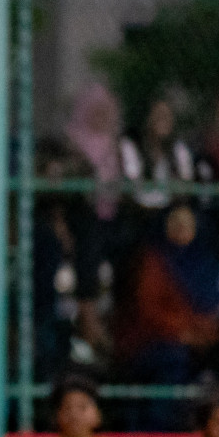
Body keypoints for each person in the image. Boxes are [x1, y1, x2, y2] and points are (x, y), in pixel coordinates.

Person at [119, 203, 219, 429]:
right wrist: (182, 333)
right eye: (175, 223)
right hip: (156, 341)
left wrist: (203, 335)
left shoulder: (205, 262)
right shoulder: (154, 260)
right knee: (172, 362)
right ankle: (161, 429)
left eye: (187, 224)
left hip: (201, 338)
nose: (181, 229)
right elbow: (149, 309)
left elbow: (213, 309)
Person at [63, 83, 125, 351]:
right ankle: (88, 317)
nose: (101, 117)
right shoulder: (72, 140)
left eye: (105, 112)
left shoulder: (116, 145)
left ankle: (119, 322)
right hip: (80, 213)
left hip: (111, 213)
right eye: (95, 111)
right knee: (89, 239)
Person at [120, 96, 197, 216]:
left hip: (169, 212)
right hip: (137, 212)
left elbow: (185, 183)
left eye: (166, 116)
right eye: (158, 115)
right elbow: (132, 181)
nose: (162, 120)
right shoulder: (131, 144)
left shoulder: (178, 148)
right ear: (148, 118)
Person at [29, 375, 125, 437]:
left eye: (82, 407)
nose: (74, 415)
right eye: (68, 408)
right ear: (57, 415)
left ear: (98, 415)